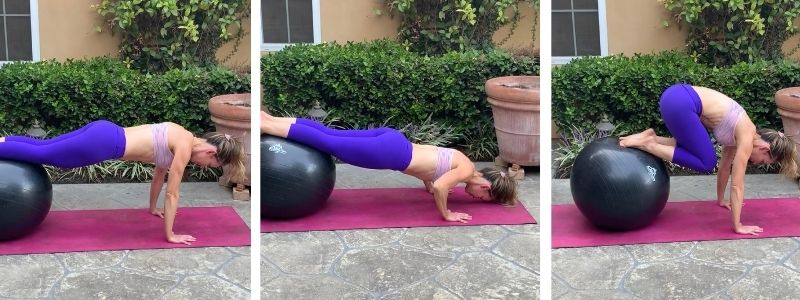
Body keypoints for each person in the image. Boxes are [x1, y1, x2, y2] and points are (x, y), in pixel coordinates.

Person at [0, 120, 246, 244]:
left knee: (46, 147)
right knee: (47, 155)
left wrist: (152, 208)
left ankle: (4, 141)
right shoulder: (183, 146)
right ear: (212, 153)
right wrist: (171, 234)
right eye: (212, 165)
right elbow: (173, 194)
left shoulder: (180, 133)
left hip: (105, 130)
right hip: (105, 143)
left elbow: (159, 174)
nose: (206, 167)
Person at [260, 111, 518, 223]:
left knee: (331, 134)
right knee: (329, 142)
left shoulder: (463, 160)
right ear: (486, 185)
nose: (475, 198)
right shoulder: (463, 173)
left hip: (395, 139)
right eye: (483, 196)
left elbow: (432, 165)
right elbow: (441, 186)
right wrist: (447, 214)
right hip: (391, 153)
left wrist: (428, 183)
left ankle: (269, 119)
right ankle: (267, 126)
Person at [619, 84, 798, 236]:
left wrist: (721, 200)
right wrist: (738, 226)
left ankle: (652, 138)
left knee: (698, 152)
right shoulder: (746, 135)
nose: (758, 163)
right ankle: (649, 144)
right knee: (707, 162)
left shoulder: (740, 133)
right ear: (764, 148)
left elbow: (725, 167)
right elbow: (738, 185)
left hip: (675, 96)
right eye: (763, 161)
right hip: (682, 102)